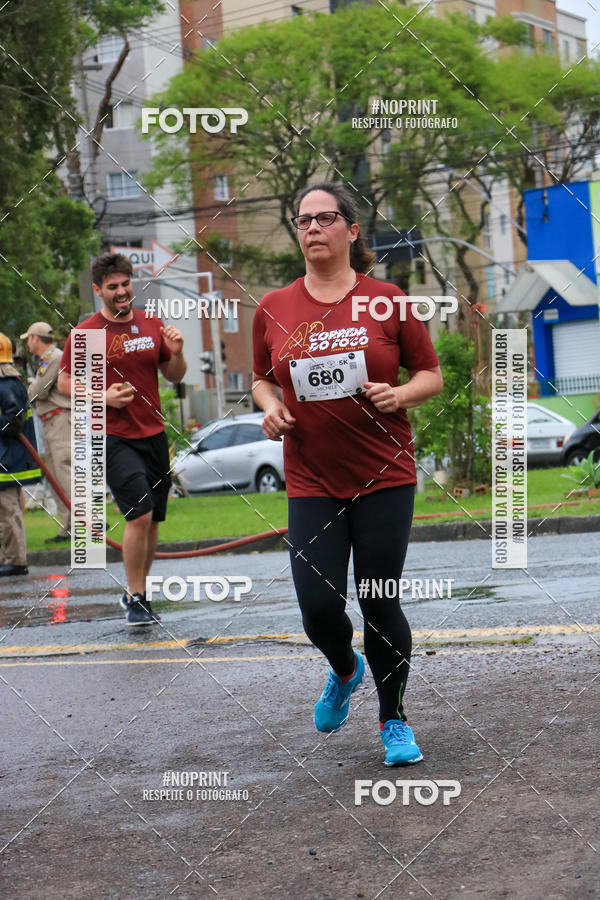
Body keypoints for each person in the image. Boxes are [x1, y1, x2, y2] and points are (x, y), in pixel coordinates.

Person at [252, 183, 443, 766]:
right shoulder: (274, 306)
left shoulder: (386, 300)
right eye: (303, 220)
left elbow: (430, 375)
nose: (312, 227)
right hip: (312, 478)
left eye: (325, 217)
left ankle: (393, 720)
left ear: (351, 230)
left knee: (379, 600)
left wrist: (399, 394)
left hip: (384, 475)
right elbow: (261, 379)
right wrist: (269, 408)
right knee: (317, 606)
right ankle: (343, 668)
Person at [58, 253, 187, 626]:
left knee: (154, 519)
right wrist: (102, 396)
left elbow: (175, 375)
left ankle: (137, 591)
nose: (121, 291)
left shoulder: (151, 323)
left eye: (125, 283)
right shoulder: (87, 333)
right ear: (98, 290)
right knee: (139, 514)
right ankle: (137, 596)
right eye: (112, 286)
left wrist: (178, 353)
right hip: (114, 436)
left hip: (154, 434)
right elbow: (64, 382)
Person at [21, 321, 72, 544]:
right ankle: (68, 527)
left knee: (64, 472)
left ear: (35, 338)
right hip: (52, 421)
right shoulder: (48, 359)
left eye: (28, 339)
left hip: (60, 420)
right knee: (55, 475)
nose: (28, 344)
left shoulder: (54, 358)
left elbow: (37, 392)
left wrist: (30, 389)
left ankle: (89, 521)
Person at [0, 332, 42, 577]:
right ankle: (8, 558)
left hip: (7, 460)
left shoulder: (7, 385)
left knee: (8, 511)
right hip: (5, 457)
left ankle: (15, 560)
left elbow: (13, 423)